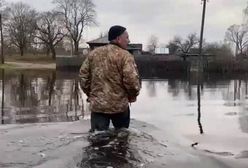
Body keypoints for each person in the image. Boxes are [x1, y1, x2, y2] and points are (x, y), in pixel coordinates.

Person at [79, 25, 141, 132]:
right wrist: (132, 96)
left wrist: (91, 94)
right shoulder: (125, 56)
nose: (129, 40)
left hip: (98, 107)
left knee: (97, 140)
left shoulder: (93, 54)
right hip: (120, 108)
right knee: (121, 139)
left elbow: (83, 76)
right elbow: (131, 81)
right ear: (118, 39)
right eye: (126, 37)